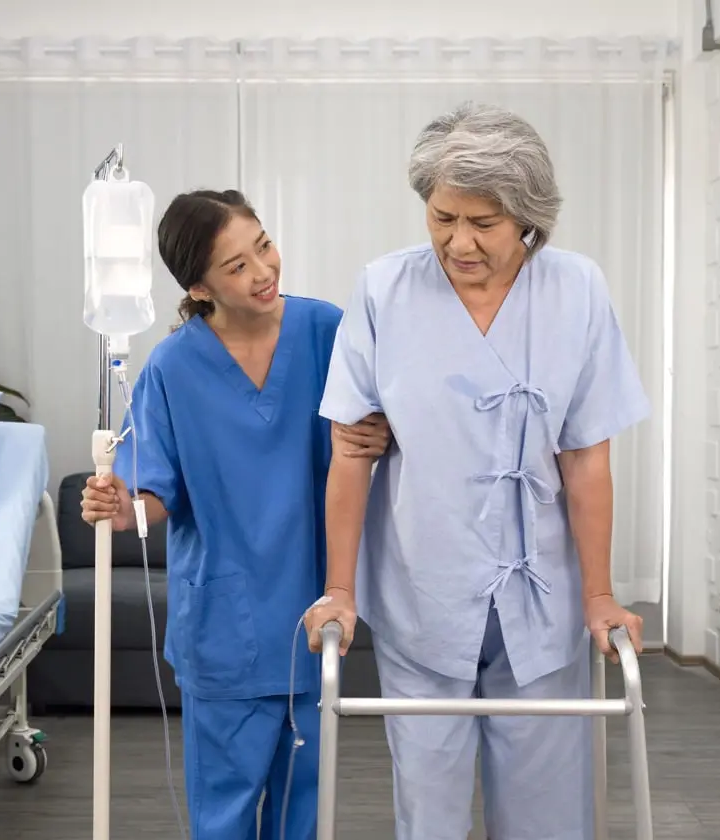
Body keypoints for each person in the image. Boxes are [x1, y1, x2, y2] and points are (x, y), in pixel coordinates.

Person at [305, 101, 651, 840]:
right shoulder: (384, 291)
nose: (458, 241)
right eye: (441, 217)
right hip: (424, 591)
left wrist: (599, 594)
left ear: (527, 217)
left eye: (483, 223)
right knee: (427, 814)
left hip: (544, 604)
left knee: (547, 817)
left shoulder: (577, 290)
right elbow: (348, 452)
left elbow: (587, 458)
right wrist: (339, 588)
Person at [80, 188, 392, 840]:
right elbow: (155, 493)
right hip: (225, 629)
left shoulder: (324, 332)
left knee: (301, 816)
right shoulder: (173, 367)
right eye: (237, 266)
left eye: (264, 247)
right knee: (223, 819)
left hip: (310, 619)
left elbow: (372, 438)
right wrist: (120, 506)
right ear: (199, 287)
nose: (263, 272)